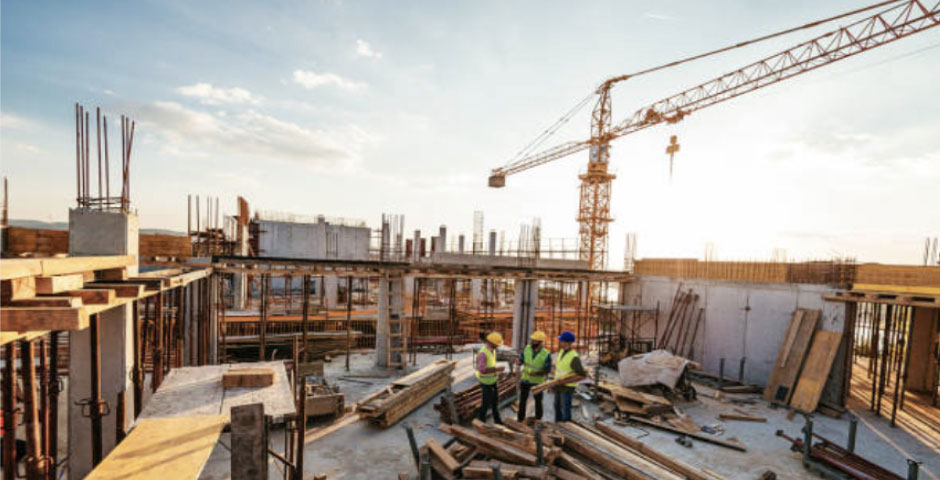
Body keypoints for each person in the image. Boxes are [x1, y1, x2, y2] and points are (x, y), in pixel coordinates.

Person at [515, 330, 551, 422]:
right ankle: (520, 420)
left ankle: (538, 420)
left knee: (538, 402)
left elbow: (547, 370)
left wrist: (537, 373)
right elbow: (521, 359)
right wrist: (518, 362)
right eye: (532, 340)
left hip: (537, 382)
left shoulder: (546, 354)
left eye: (535, 340)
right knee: (522, 401)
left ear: (540, 342)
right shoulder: (527, 349)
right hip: (525, 380)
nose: (532, 342)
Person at [553, 331, 587, 422]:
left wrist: (564, 381)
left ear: (567, 342)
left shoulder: (574, 357)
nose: (559, 342)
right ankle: (558, 426)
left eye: (561, 341)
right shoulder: (561, 352)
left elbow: (582, 375)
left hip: (567, 388)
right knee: (557, 406)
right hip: (558, 385)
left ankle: (566, 428)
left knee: (565, 409)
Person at [476, 331, 506, 424]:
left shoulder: (492, 350)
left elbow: (490, 365)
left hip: (493, 380)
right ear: (491, 342)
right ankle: (481, 421)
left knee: (495, 402)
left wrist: (496, 373)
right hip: (486, 382)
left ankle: (497, 420)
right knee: (486, 403)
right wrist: (497, 369)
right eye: (496, 344)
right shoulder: (483, 353)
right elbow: (482, 370)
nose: (498, 346)